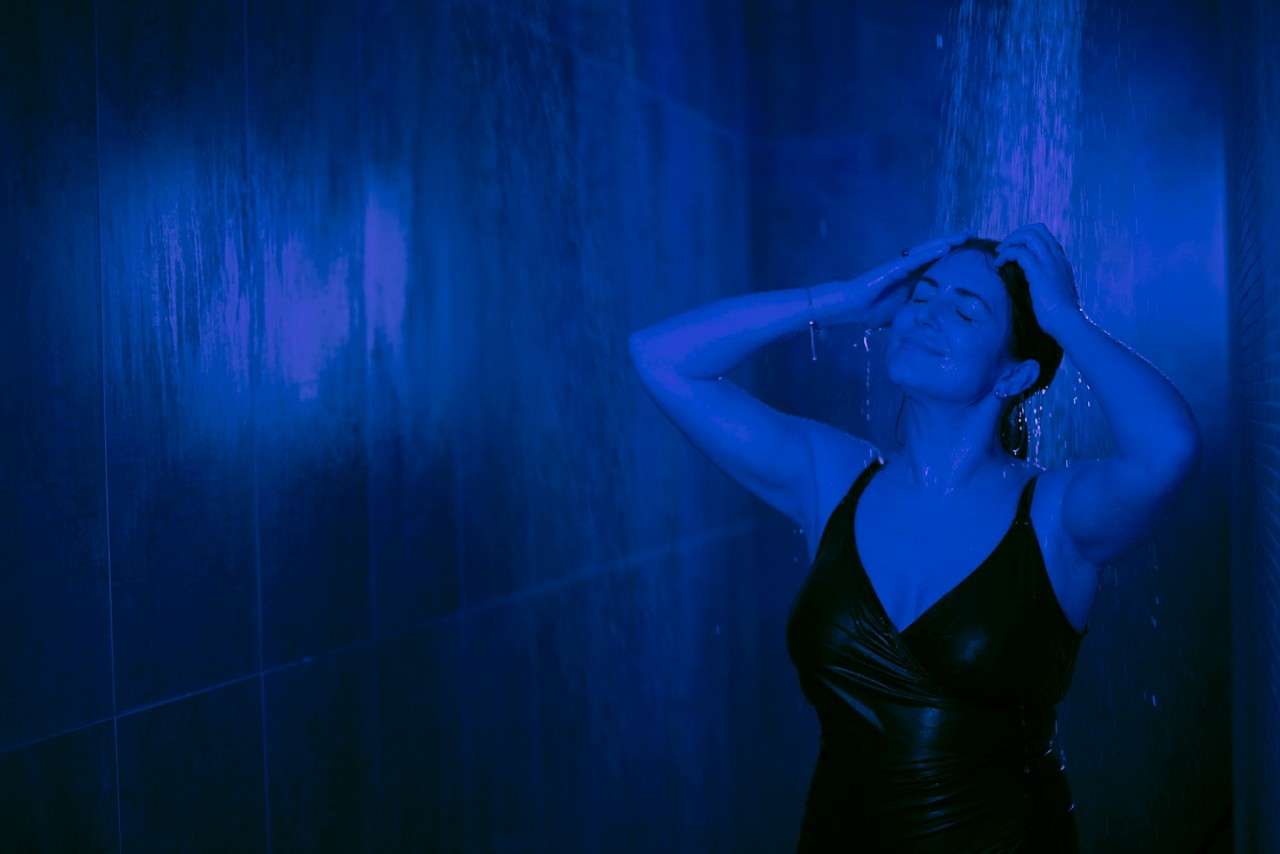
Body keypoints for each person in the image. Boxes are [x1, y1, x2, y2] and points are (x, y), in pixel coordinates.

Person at [627, 224, 1201, 851]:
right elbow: (661, 358)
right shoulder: (833, 477)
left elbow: (1168, 449)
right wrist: (836, 300)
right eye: (922, 296)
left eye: (964, 309)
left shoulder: (1056, 515)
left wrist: (1065, 318)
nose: (927, 314)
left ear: (1013, 376)